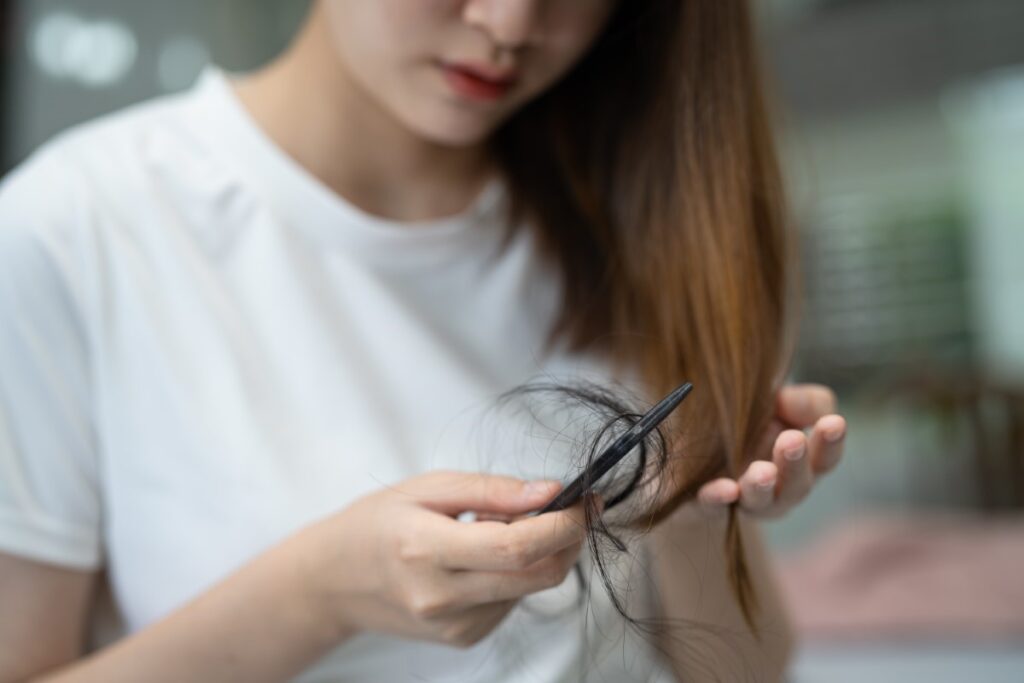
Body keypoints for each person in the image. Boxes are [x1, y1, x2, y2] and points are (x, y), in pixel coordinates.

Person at [0, 1, 848, 681]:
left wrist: (693, 504)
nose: (511, 24)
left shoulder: (637, 233)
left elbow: (746, 672)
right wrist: (322, 593)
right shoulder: (68, 235)